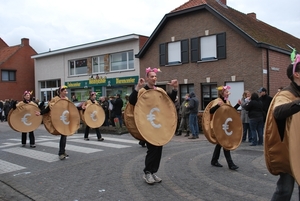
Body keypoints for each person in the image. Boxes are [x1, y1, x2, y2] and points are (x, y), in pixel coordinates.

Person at [129, 67, 178, 185]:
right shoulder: (142, 91)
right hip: (148, 125)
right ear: (147, 78)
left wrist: (175, 88)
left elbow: (169, 101)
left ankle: (153, 171)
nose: (154, 78)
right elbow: (132, 101)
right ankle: (147, 173)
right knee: (152, 149)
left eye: (155, 76)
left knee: (159, 149)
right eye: (151, 76)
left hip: (159, 126)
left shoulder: (160, 91)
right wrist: (138, 87)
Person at [266, 54, 300, 201]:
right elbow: (278, 112)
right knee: (284, 191)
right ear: (296, 74)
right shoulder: (285, 94)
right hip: (289, 151)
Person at [35, 86, 71, 160]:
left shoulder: (67, 99)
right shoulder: (55, 99)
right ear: (61, 91)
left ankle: (62, 151)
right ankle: (61, 153)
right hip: (58, 119)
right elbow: (48, 108)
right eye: (64, 91)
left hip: (65, 120)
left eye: (66, 91)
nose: (66, 92)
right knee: (63, 135)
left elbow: (70, 109)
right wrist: (40, 113)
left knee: (64, 135)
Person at [210, 86, 240, 170]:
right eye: (226, 92)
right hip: (219, 126)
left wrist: (238, 105)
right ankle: (231, 164)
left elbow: (231, 112)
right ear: (222, 93)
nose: (228, 93)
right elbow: (211, 111)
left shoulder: (227, 101)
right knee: (225, 143)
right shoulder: (217, 101)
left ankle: (214, 160)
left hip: (225, 126)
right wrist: (217, 106)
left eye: (228, 92)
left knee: (220, 144)